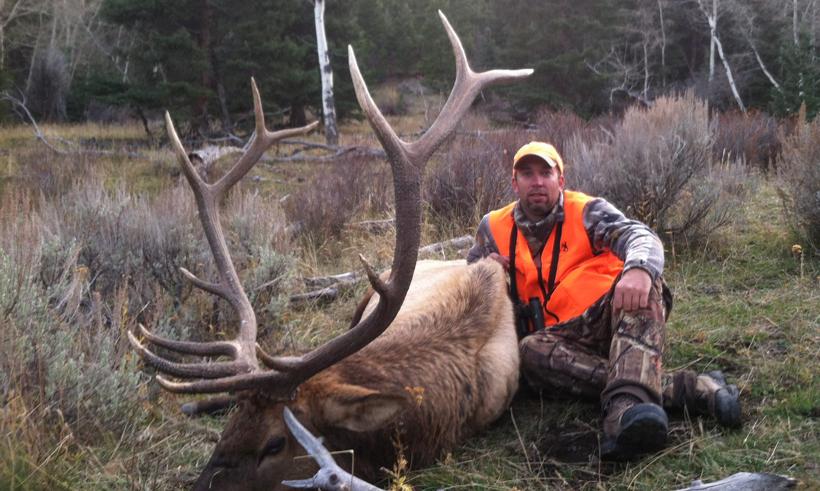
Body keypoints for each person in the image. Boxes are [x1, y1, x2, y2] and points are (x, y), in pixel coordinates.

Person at [467, 141, 741, 460]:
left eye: (546, 172)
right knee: (527, 351)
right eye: (527, 174)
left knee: (644, 288)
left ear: (561, 179)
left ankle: (624, 413)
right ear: (515, 183)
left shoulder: (586, 211)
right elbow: (469, 276)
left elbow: (639, 236)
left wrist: (638, 269)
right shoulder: (493, 227)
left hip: (610, 319)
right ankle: (689, 390)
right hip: (556, 339)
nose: (537, 181)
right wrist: (485, 271)